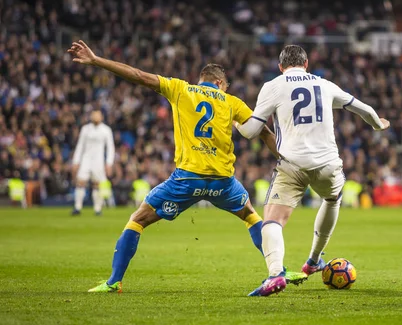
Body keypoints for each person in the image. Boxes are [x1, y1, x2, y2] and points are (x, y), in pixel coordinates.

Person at [66, 40, 307, 293]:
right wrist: (286, 160)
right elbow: (265, 132)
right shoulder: (230, 101)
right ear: (219, 83)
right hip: (223, 183)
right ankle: (278, 270)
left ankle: (114, 281)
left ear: (201, 79)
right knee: (251, 216)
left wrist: (96, 60)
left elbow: (138, 76)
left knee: (137, 220)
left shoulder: (181, 89)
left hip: (186, 180)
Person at [236, 45, 389, 296]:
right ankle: (314, 259)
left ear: (280, 66)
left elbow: (251, 132)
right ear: (306, 64)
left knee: (273, 221)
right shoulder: (325, 84)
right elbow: (363, 109)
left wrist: (237, 124)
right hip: (328, 163)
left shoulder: (273, 85)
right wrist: (378, 125)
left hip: (292, 164)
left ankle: (275, 274)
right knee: (332, 199)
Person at [71, 109, 115, 216]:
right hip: (86, 159)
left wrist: (109, 163)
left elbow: (110, 148)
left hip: (98, 161)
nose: (95, 117)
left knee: (97, 184)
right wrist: (76, 161)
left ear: (101, 117)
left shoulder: (106, 130)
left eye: (97, 115)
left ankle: (97, 208)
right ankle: (77, 207)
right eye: (94, 115)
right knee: (81, 182)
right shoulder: (85, 129)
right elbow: (80, 146)